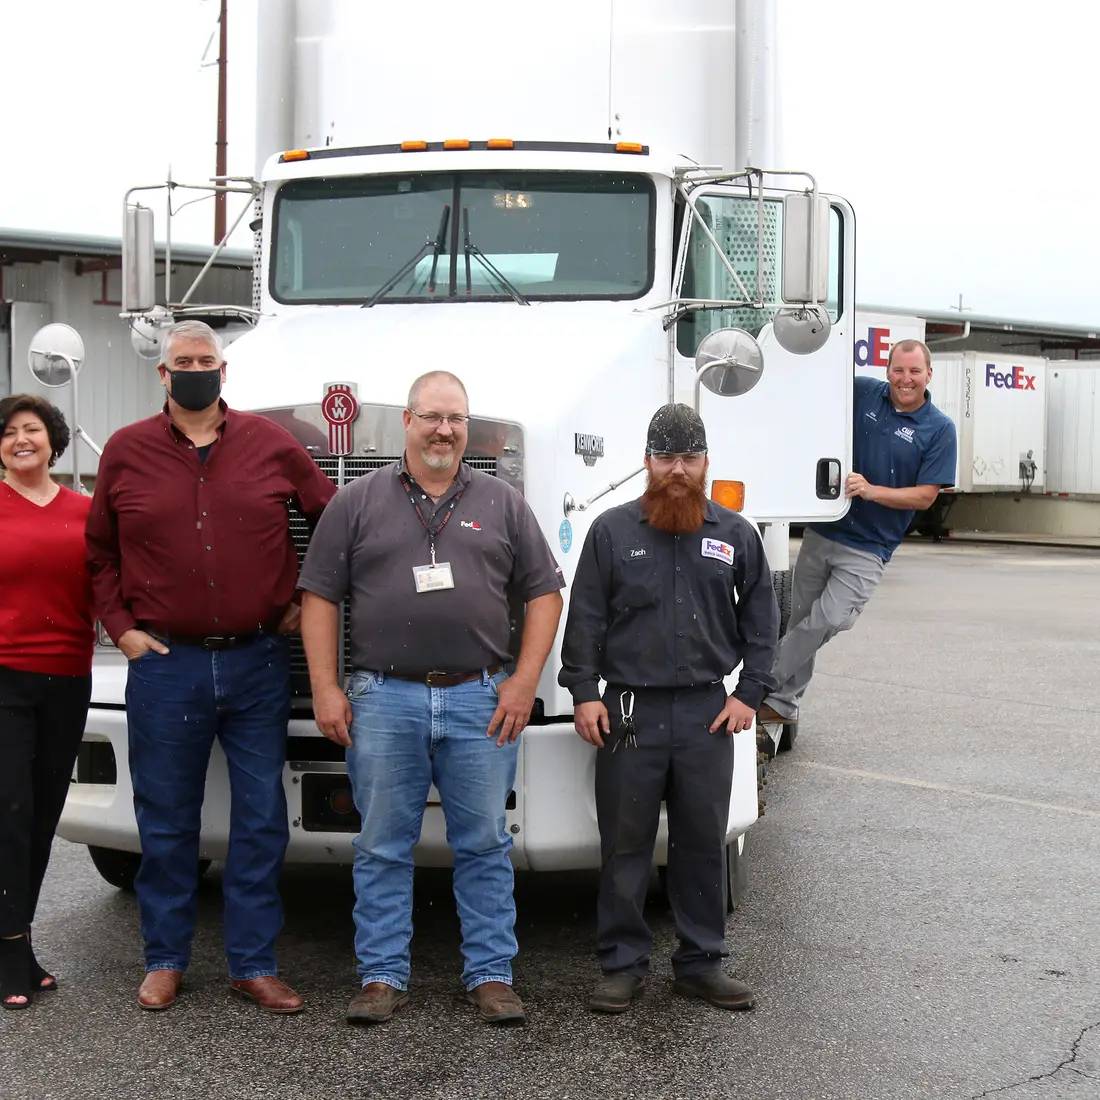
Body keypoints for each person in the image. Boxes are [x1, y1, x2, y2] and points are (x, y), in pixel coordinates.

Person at [298, 370, 565, 1028]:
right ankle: (382, 977)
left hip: (480, 698)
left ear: (466, 428)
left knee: (483, 843)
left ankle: (492, 976)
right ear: (407, 424)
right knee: (383, 844)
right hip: (383, 699)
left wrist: (525, 681)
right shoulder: (356, 502)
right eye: (432, 417)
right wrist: (326, 688)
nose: (445, 430)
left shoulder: (502, 502)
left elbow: (544, 594)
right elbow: (319, 599)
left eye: (456, 419)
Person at [85, 320, 336, 1014]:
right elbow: (99, 552)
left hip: (258, 661)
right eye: (182, 361)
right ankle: (165, 960)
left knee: (261, 819)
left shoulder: (271, 445)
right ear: (163, 376)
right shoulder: (126, 452)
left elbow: (333, 521)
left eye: (206, 360)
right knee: (166, 820)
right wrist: (123, 629)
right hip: (165, 665)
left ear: (223, 372)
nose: (196, 369)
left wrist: (304, 599)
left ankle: (252, 964)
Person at [559, 403, 779, 1014]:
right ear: (647, 462)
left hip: (708, 714)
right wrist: (581, 693)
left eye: (688, 458)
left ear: (707, 463)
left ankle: (701, 963)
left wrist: (751, 694)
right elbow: (586, 620)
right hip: (629, 715)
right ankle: (622, 965)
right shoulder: (611, 531)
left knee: (701, 842)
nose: (677, 469)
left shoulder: (736, 535)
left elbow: (763, 622)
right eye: (665, 457)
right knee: (625, 846)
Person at [757, 339, 958, 727]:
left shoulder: (939, 430)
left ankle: (756, 681)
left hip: (868, 549)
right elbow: (817, 388)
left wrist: (871, 491)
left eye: (915, 371)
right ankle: (781, 704)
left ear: (929, 375)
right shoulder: (863, 392)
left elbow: (925, 497)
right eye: (899, 369)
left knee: (827, 619)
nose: (905, 379)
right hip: (825, 529)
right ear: (887, 370)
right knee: (802, 622)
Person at [0, 396, 95, 1010]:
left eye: (31, 430)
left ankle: (20, 942)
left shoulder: (86, 511)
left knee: (40, 818)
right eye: (8, 433)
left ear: (53, 441)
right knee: (8, 813)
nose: (19, 440)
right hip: (3, 676)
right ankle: (9, 952)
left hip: (69, 677)